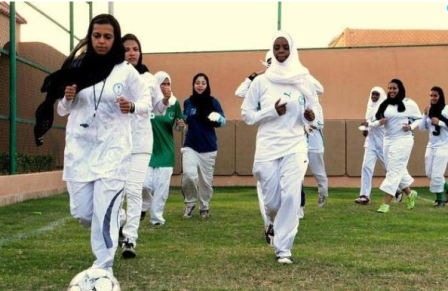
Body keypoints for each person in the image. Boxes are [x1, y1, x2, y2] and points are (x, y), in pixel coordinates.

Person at [51, 14, 152, 272]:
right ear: (90, 36)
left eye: (108, 37)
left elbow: (146, 103)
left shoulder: (126, 71)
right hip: (80, 151)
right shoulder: (77, 68)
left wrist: (132, 106)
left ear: (115, 39)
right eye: (97, 36)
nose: (102, 41)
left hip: (113, 150)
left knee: (103, 212)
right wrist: (67, 98)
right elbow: (62, 111)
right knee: (83, 213)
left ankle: (103, 266)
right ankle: (117, 217)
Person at [241, 30, 319, 264]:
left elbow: (314, 114)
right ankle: (272, 222)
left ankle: (283, 249)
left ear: (292, 49)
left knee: (291, 196)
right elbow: (246, 115)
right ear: (272, 51)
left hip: (295, 145)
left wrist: (310, 117)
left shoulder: (303, 80)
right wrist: (271, 111)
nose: (281, 52)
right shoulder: (261, 82)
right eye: (277, 48)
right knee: (273, 202)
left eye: (285, 47)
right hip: (267, 147)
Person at [118, 34, 168, 259]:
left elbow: (158, 109)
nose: (132, 52)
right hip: (117, 142)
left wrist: (165, 100)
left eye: (135, 49)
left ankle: (130, 238)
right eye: (127, 49)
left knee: (133, 189)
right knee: (116, 190)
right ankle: (120, 223)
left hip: (141, 142)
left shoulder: (149, 79)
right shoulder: (114, 75)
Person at [141, 71, 185, 225]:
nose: (166, 87)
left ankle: (157, 218)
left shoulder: (174, 103)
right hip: (147, 150)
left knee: (161, 188)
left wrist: (180, 126)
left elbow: (178, 125)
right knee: (145, 184)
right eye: (163, 84)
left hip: (166, 151)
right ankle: (145, 204)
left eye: (168, 84)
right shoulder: (148, 101)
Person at [181, 73, 226, 219]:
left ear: (207, 85)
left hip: (208, 148)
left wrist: (218, 118)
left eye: (203, 83)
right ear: (193, 85)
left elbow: (223, 120)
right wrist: (180, 123)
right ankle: (190, 203)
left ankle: (204, 206)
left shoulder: (213, 101)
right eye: (197, 82)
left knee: (206, 183)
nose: (200, 85)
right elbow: (184, 120)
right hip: (190, 146)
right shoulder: (187, 102)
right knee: (188, 175)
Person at [375, 79, 422, 213]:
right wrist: (381, 121)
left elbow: (420, 118)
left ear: (400, 89)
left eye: (394, 88)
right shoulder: (385, 104)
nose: (391, 91)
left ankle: (386, 204)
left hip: (403, 140)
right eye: (389, 88)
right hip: (388, 140)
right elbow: (378, 118)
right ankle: (410, 193)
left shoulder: (409, 103)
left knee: (394, 171)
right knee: (393, 168)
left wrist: (410, 126)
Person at [355, 87, 387, 205]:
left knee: (388, 169)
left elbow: (383, 122)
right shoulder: (370, 107)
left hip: (383, 142)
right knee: (366, 167)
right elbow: (370, 125)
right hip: (371, 142)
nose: (374, 96)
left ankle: (398, 189)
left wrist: (369, 124)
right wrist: (366, 130)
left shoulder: (385, 107)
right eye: (372, 94)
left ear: (381, 96)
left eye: (376, 94)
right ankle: (364, 196)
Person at [419, 86, 448, 206]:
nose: (433, 98)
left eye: (435, 95)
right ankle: (446, 186)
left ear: (440, 96)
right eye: (431, 95)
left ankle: (439, 200)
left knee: (436, 174)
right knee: (429, 173)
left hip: (444, 146)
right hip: (431, 146)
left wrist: (440, 122)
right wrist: (425, 115)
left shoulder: (446, 109)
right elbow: (421, 128)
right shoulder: (429, 110)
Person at [306, 101, 328, 207]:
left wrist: (309, 125)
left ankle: (323, 195)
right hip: (299, 143)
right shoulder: (296, 102)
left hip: (315, 143)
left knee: (318, 172)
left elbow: (320, 124)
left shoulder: (316, 106)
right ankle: (298, 200)